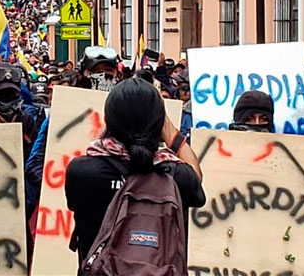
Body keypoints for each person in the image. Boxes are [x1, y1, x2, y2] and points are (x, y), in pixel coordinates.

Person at [65, 78, 205, 268]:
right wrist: (170, 131)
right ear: (159, 124)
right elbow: (196, 177)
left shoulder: (81, 172)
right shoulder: (175, 177)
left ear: (109, 121)